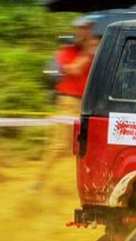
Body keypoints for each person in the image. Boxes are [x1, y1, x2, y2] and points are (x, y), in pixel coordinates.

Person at [36, 17, 99, 185]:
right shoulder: (67, 51)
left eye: (89, 28)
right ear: (77, 30)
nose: (86, 32)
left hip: (88, 104)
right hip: (69, 102)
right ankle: (39, 181)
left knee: (89, 146)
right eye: (83, 28)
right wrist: (88, 53)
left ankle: (87, 183)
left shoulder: (95, 51)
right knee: (58, 145)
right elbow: (74, 70)